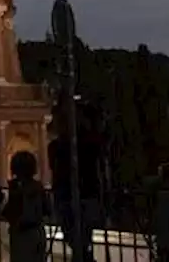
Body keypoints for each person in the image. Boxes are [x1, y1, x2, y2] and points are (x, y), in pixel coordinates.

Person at [47, 111, 104, 262]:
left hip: (77, 193)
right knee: (78, 231)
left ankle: (83, 255)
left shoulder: (84, 145)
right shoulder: (60, 146)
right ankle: (84, 255)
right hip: (73, 193)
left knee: (79, 230)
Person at [3, 150, 51, 262]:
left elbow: (10, 210)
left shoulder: (15, 187)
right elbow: (47, 208)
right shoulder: (38, 186)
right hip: (37, 231)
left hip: (20, 233)